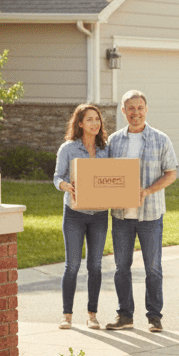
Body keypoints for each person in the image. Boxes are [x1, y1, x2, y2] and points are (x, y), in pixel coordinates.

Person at [105, 90, 178, 333]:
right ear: (123, 111)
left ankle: (154, 317)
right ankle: (125, 315)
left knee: (153, 269)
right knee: (121, 268)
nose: (136, 113)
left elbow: (171, 173)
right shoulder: (114, 141)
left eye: (140, 108)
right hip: (121, 216)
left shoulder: (160, 139)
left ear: (146, 109)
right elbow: (104, 175)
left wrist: (146, 191)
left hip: (150, 215)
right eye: (131, 108)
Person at [53, 104, 110, 331]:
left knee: (95, 266)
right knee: (73, 265)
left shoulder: (106, 149)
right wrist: (64, 185)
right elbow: (57, 176)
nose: (95, 123)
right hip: (75, 214)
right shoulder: (68, 148)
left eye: (97, 119)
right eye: (89, 119)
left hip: (99, 214)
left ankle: (92, 314)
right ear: (79, 123)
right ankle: (67, 315)